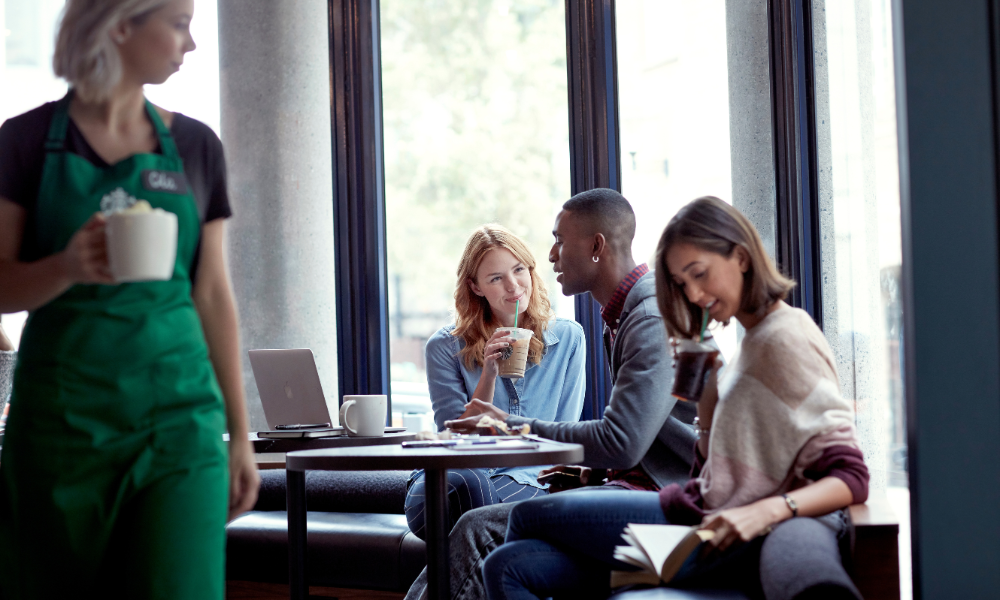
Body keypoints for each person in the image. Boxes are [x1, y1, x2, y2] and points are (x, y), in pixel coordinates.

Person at [482, 196, 869, 600]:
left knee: (527, 516)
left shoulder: (784, 337)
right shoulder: (750, 344)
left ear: (741, 258)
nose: (695, 294)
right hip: (697, 511)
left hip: (714, 528)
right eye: (683, 284)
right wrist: (708, 392)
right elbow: (711, 467)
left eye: (699, 274)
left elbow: (852, 477)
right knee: (507, 566)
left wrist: (768, 511)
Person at [0, 1, 259, 597]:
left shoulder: (195, 145)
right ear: (120, 25)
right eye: (178, 24)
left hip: (179, 425)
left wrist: (239, 434)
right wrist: (66, 267)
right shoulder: (24, 142)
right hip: (61, 429)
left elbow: (211, 293)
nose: (190, 44)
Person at [404, 188, 702, 600]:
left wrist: (509, 425)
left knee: (482, 526)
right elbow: (639, 436)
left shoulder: (650, 317)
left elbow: (622, 442)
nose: (549, 256)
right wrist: (593, 472)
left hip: (671, 499)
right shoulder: (622, 317)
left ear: (596, 247)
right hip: (633, 486)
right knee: (508, 567)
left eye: (559, 240)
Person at [404, 224, 586, 540]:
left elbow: (562, 435)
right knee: (469, 483)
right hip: (453, 476)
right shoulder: (444, 347)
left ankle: (453, 571)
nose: (513, 286)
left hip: (529, 477)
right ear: (475, 287)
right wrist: (488, 373)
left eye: (519, 270)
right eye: (496, 278)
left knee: (480, 506)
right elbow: (455, 438)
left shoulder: (568, 338)